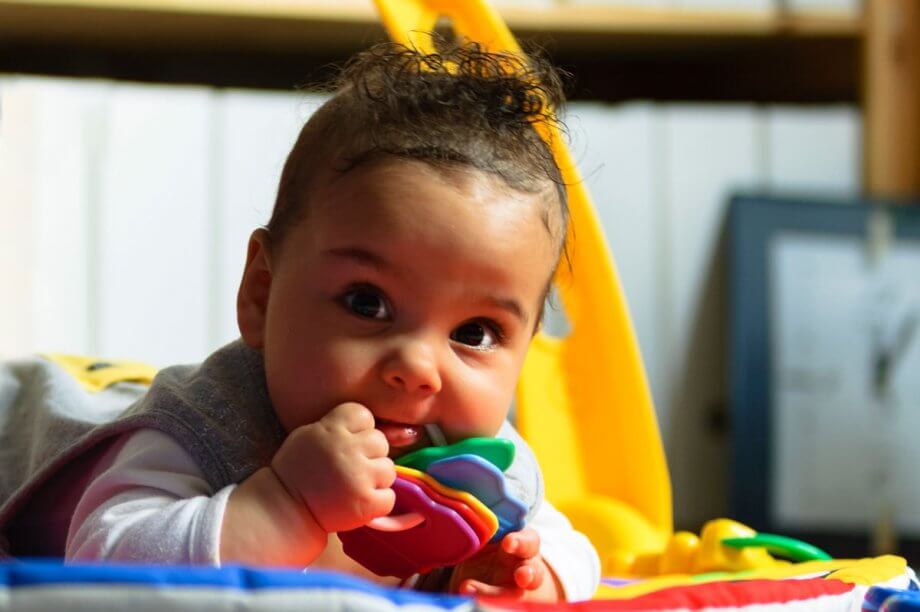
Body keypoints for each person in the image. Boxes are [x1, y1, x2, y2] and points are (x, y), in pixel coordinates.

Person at [0, 40, 600, 602]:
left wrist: (532, 572)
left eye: (475, 334)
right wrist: (286, 505)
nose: (418, 369)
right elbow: (102, 561)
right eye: (369, 303)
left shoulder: (483, 466)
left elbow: (576, 550)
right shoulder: (208, 426)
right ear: (262, 293)